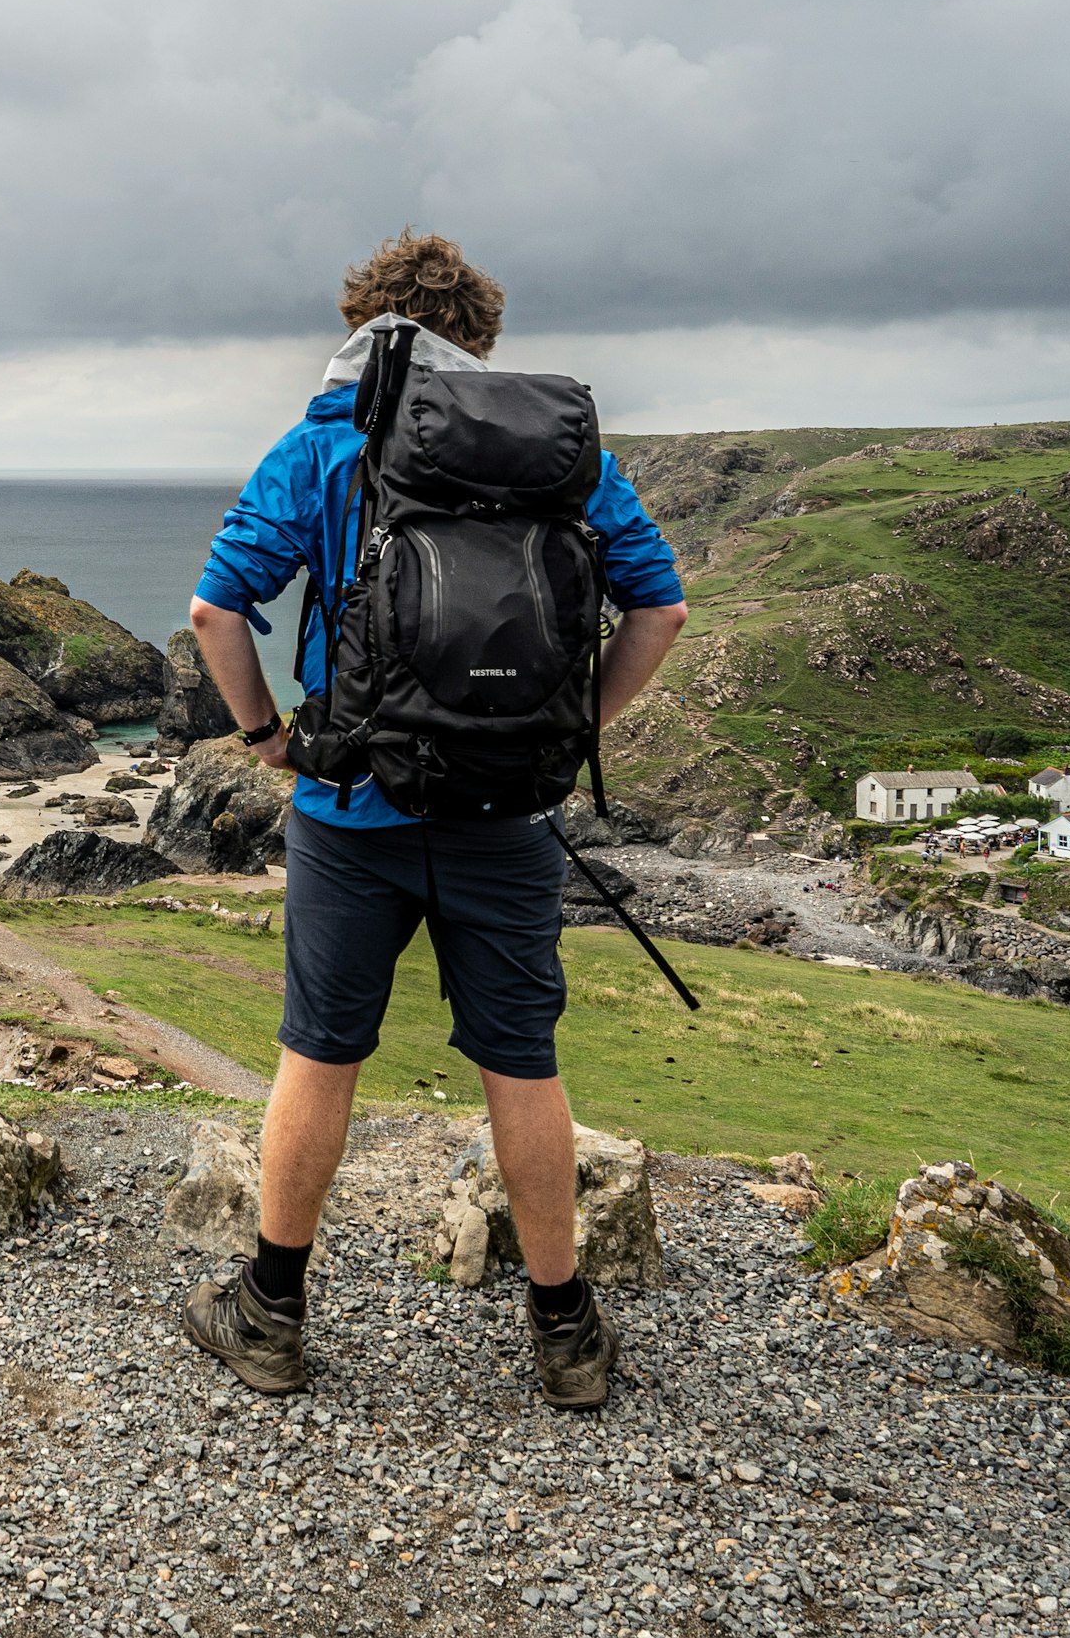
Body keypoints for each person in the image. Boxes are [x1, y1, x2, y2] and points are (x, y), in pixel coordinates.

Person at [174, 230, 690, 1414]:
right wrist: (566, 733)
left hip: (349, 806)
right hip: (508, 809)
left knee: (322, 1055)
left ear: (362, 321)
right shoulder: (552, 457)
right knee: (521, 1062)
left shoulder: (321, 444)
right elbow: (659, 604)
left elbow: (216, 612)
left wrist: (267, 740)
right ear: (481, 340)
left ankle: (269, 1314)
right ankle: (564, 1337)